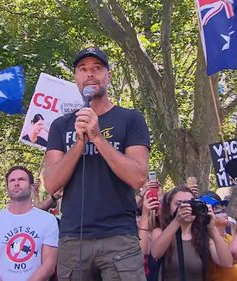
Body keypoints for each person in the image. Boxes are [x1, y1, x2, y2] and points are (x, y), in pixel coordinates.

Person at [44, 47, 150, 280]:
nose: (89, 74)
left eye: (97, 68)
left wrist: (98, 138)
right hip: (74, 238)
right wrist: (80, 142)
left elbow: (138, 177)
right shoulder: (61, 126)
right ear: (76, 78)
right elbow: (51, 183)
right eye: (83, 69)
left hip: (119, 238)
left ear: (108, 76)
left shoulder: (130, 118)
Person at [0, 166, 58, 280]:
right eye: (12, 180)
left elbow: (49, 265)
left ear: (31, 187)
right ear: (7, 188)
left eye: (21, 179)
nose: (16, 183)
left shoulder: (48, 220)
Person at [150, 186, 233, 281]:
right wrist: (177, 220)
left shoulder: (203, 236)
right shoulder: (160, 232)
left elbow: (227, 263)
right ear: (168, 208)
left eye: (191, 203)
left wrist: (212, 229)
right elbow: (155, 254)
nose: (187, 207)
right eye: (179, 204)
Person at [201, 191, 237, 281]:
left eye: (223, 206)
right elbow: (234, 256)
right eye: (217, 208)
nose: (223, 210)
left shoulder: (228, 237)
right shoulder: (208, 242)